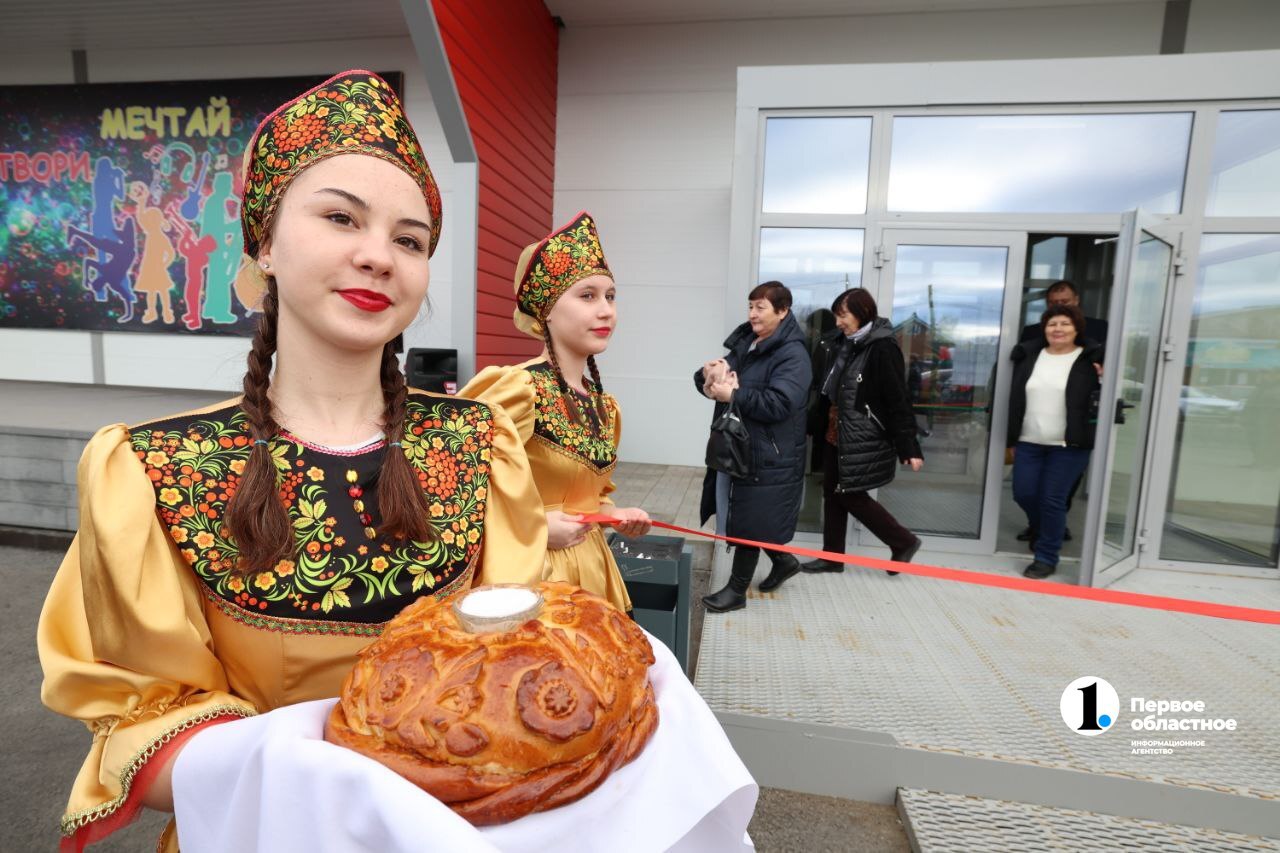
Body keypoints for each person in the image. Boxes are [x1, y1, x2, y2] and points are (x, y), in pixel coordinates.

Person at [37, 70, 547, 852]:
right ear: (265, 243)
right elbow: (140, 719)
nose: (378, 255)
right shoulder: (159, 468)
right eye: (342, 217)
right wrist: (327, 781)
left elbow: (518, 665)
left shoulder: (480, 445)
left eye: (409, 240)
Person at [460, 212, 652, 613]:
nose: (606, 311)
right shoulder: (519, 388)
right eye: (587, 296)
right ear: (546, 310)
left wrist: (615, 516)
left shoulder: (604, 406)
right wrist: (536, 527)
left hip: (594, 573)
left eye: (611, 296)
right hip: (531, 579)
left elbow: (590, 497)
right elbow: (455, 483)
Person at [696, 281, 812, 613]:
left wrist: (734, 395)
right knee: (751, 514)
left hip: (771, 454)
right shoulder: (748, 341)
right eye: (750, 306)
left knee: (751, 517)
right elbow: (716, 381)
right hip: (741, 445)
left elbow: (779, 404)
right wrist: (709, 374)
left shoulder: (793, 355)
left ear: (783, 311)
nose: (752, 314)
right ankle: (784, 561)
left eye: (760, 307)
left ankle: (735, 591)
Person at [801, 288, 923, 576]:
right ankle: (832, 557)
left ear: (863, 313)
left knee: (849, 494)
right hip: (836, 428)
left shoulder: (882, 347)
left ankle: (903, 541)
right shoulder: (837, 343)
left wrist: (908, 445)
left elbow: (897, 398)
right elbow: (825, 388)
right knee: (832, 493)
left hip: (863, 433)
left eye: (843, 315)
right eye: (836, 315)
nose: (838, 322)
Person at [1007, 303, 1104, 579]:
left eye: (1065, 324)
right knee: (1023, 493)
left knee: (1052, 499)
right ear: (1044, 329)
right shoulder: (1029, 355)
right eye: (1052, 324)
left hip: (1069, 444)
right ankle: (1048, 529)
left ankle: (1046, 556)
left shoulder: (1089, 359)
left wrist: (1105, 379)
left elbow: (1108, 395)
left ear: (1076, 329)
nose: (1058, 329)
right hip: (1029, 440)